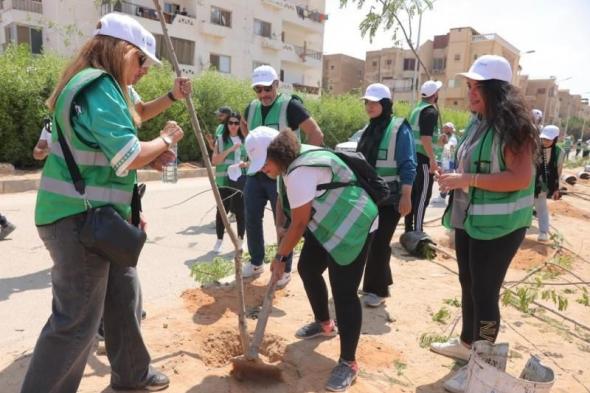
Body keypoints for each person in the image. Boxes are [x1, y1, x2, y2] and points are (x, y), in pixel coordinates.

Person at [20, 13, 185, 392]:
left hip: (99, 220)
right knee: (75, 324)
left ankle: (132, 374)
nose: (145, 70)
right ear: (123, 51)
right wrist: (165, 141)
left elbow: (109, 154)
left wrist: (151, 156)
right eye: (142, 60)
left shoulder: (106, 87)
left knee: (125, 295)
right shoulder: (100, 87)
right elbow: (127, 154)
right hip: (79, 224)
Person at [432, 55, 537, 392]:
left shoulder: (515, 128)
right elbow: (471, 169)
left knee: (485, 292)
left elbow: (519, 178)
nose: (471, 92)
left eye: (479, 87)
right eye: (470, 86)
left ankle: (484, 364)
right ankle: (467, 345)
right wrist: (452, 177)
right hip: (470, 220)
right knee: (468, 283)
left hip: (501, 226)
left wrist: (468, 178)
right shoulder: (478, 122)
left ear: (497, 90)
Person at [259, 129, 378, 392]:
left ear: (276, 155)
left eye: (265, 163)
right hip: (326, 221)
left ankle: (349, 363)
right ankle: (325, 324)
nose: (263, 169)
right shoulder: (289, 158)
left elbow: (300, 222)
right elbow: (284, 200)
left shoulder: (300, 171)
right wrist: (281, 226)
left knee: (344, 292)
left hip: (353, 224)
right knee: (308, 268)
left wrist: (280, 257)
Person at [240, 65, 323, 287]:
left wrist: (303, 167)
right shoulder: (251, 108)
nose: (263, 94)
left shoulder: (291, 106)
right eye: (258, 90)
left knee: (283, 223)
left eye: (267, 88)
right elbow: (247, 131)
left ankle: (284, 268)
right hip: (257, 174)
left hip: (283, 176)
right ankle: (256, 261)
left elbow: (316, 133)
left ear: (277, 84)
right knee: (251, 218)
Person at [355, 83, 416, 307]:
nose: (369, 106)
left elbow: (408, 164)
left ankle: (377, 290)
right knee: (371, 240)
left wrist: (407, 196)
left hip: (391, 197)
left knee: (379, 242)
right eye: (367, 102)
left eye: (374, 102)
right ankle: (382, 280)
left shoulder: (399, 129)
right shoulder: (369, 129)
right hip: (370, 194)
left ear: (385, 104)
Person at [404, 80, 442, 233]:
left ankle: (409, 229)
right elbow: (425, 138)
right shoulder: (430, 111)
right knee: (422, 197)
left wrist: (438, 139)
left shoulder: (417, 109)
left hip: (412, 158)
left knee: (413, 196)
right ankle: (418, 230)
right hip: (423, 160)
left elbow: (424, 136)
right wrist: (432, 159)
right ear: (435, 95)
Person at [211, 112, 247, 253]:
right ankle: (219, 240)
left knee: (240, 212)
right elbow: (215, 161)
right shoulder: (221, 139)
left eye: (236, 123)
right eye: (230, 123)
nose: (233, 126)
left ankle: (240, 240)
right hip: (223, 180)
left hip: (239, 180)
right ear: (227, 125)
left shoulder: (245, 140)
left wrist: (245, 164)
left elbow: (251, 160)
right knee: (222, 211)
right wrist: (230, 150)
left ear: (240, 125)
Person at [534, 125, 564, 242]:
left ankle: (543, 232)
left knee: (541, 208)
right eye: (543, 139)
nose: (545, 142)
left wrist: (557, 188)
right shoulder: (535, 149)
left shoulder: (559, 153)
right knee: (524, 207)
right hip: (530, 183)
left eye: (548, 139)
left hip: (544, 186)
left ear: (555, 139)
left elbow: (559, 171)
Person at [431, 122, 458, 204]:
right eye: (444, 127)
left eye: (447, 127)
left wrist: (446, 142)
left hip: (449, 162)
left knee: (445, 179)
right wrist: (442, 139)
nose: (444, 129)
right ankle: (444, 195)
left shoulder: (453, 139)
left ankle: (442, 197)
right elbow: (439, 144)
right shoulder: (446, 137)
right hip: (445, 161)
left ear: (451, 129)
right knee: (444, 178)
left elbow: (450, 149)